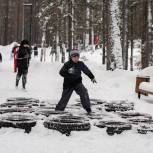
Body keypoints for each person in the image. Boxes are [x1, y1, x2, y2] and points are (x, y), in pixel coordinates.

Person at [55, 50, 97, 114]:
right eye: (74, 57)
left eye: (77, 57)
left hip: (77, 83)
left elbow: (86, 71)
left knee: (84, 92)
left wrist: (92, 77)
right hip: (68, 84)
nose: (76, 58)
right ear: (71, 57)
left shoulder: (80, 64)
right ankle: (59, 110)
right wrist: (68, 73)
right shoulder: (67, 64)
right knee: (65, 98)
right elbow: (61, 72)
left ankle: (88, 108)